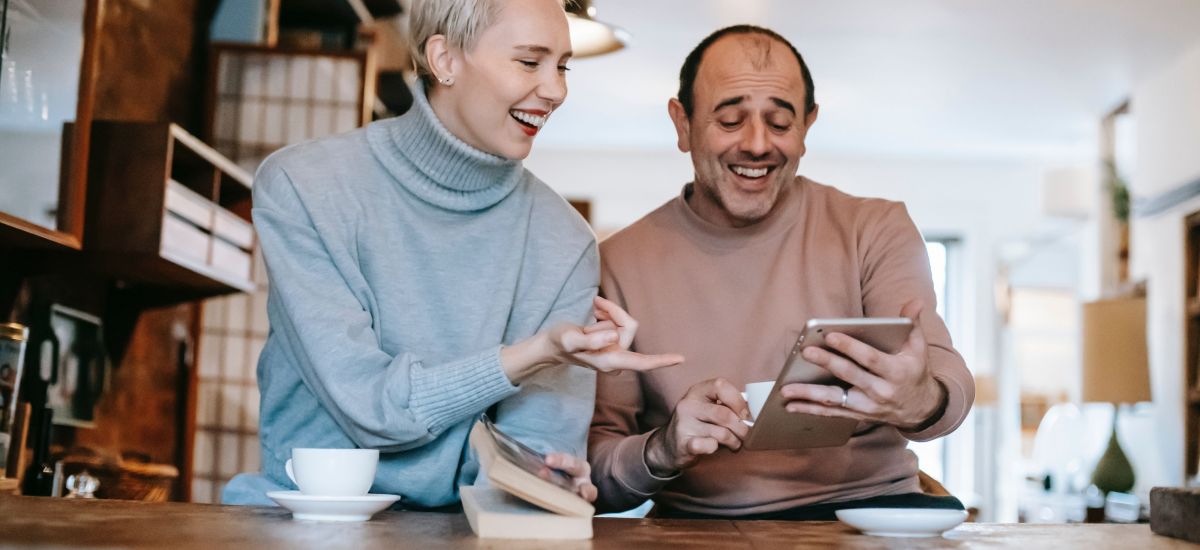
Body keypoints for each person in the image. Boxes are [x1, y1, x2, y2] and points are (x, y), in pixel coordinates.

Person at [222, 0, 681, 508]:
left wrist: (549, 480)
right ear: (444, 59)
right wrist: (534, 352)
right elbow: (369, 408)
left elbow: (534, 451)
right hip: (307, 524)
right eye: (530, 62)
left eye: (563, 66)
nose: (556, 90)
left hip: (470, 530)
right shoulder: (306, 186)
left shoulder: (563, 241)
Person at [589, 25, 975, 520]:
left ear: (808, 126)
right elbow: (596, 471)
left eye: (779, 122)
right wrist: (662, 449)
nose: (756, 144)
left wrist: (919, 398)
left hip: (869, 512)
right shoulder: (619, 262)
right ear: (681, 124)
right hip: (703, 528)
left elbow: (947, 379)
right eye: (730, 120)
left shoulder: (875, 228)